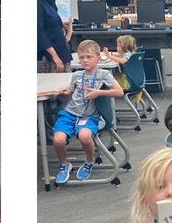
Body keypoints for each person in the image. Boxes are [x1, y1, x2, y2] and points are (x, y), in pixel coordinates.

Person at [49, 39, 123, 184]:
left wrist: (99, 93)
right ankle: (65, 164)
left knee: (84, 136)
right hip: (70, 113)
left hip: (90, 116)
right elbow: (71, 90)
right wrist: (66, 91)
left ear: (98, 58)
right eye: (82, 57)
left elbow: (119, 92)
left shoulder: (104, 74)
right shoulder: (77, 75)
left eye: (89, 57)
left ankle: (90, 160)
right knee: (58, 140)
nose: (85, 61)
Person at [38, 0, 71, 71]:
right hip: (50, 59)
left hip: (61, 54)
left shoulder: (49, 1)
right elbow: (39, 33)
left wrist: (67, 27)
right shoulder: (37, 3)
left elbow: (53, 26)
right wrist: (54, 56)